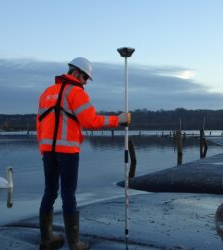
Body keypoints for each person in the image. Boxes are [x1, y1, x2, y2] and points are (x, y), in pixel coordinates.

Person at [36, 57, 131, 250]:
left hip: (48, 151)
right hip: (68, 151)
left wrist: (42, 150)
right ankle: (74, 243)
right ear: (76, 73)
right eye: (85, 77)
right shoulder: (76, 92)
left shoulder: (47, 93)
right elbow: (91, 121)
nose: (86, 82)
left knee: (49, 192)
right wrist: (118, 120)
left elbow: (39, 124)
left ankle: (46, 239)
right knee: (68, 195)